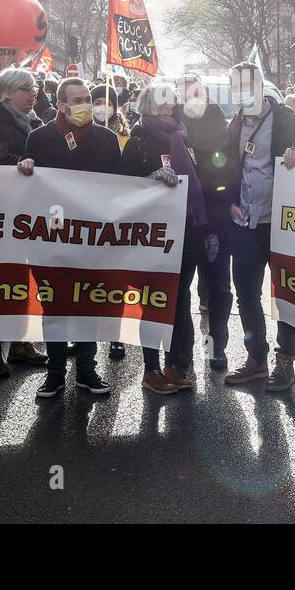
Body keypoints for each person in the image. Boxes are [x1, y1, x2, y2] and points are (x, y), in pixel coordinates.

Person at [17, 77, 123, 398]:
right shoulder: (39, 138)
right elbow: (25, 181)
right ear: (61, 105)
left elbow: (120, 186)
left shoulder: (106, 139)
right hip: (52, 236)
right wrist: (24, 165)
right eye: (77, 100)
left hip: (90, 237)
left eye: (87, 98)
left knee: (88, 302)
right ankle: (55, 372)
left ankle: (87, 370)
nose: (85, 105)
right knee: (54, 305)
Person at [222, 61, 295, 391]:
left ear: (260, 86)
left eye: (247, 85)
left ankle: (285, 361)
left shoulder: (289, 120)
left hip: (283, 224)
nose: (241, 92)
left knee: (288, 293)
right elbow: (223, 171)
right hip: (246, 225)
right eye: (236, 86)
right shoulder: (233, 125)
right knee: (246, 293)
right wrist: (228, 201)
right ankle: (256, 359)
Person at [120, 80, 203, 394]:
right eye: (162, 103)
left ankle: (173, 363)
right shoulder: (138, 141)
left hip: (186, 232)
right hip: (153, 236)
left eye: (171, 102)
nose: (168, 107)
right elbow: (121, 187)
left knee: (180, 302)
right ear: (147, 106)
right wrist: (149, 180)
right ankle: (151, 368)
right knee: (155, 302)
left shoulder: (182, 136)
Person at [0, 67, 50, 375]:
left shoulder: (37, 122)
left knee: (22, 280)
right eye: (26, 88)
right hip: (2, 213)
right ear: (6, 93)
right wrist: (25, 164)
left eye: (34, 88)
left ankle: (20, 343)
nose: (34, 93)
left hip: (30, 212)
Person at [179, 73, 233, 369]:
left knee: (220, 289)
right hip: (182, 219)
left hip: (216, 217)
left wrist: (227, 200)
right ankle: (183, 351)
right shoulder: (173, 123)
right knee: (180, 290)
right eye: (187, 93)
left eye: (197, 92)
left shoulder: (220, 123)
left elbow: (230, 166)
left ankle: (216, 348)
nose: (193, 97)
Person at [91, 82, 131, 151]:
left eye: (108, 104)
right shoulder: (83, 131)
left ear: (114, 108)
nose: (103, 107)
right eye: (98, 103)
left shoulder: (123, 133)